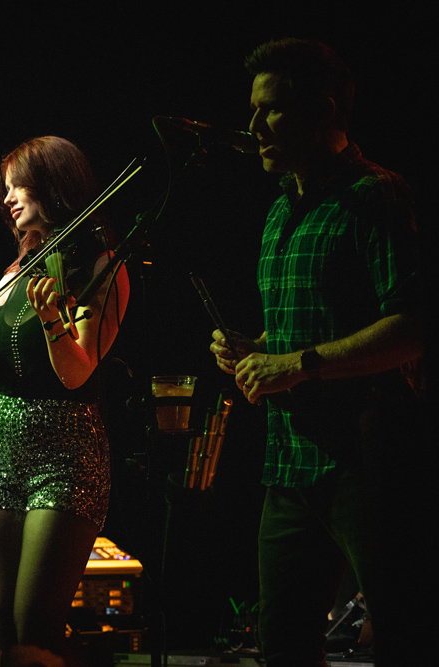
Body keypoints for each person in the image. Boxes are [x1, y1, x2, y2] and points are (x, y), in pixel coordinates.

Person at [209, 39, 424, 666]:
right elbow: (322, 324)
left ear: (323, 111)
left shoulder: (376, 196)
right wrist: (259, 349)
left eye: (270, 111)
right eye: (253, 111)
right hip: (290, 465)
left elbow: (413, 324)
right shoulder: (280, 210)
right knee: (284, 647)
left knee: (407, 633)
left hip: (368, 462)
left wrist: (295, 365)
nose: (252, 129)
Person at [0, 136, 129, 667]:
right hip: (1, 447)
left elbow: (76, 372)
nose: (8, 198)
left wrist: (51, 321)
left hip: (66, 452)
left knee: (35, 630)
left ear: (54, 186)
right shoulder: (15, 271)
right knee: (3, 631)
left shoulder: (101, 265)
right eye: (6, 189)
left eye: (20, 185)